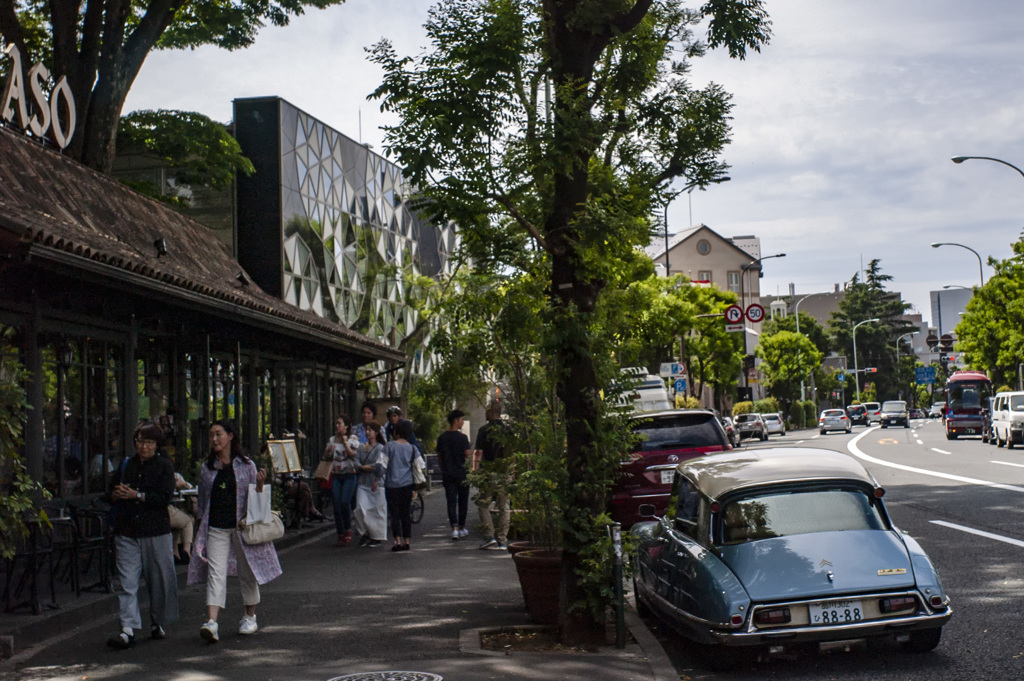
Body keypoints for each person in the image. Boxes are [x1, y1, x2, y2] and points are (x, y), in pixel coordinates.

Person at [187, 420, 282, 643]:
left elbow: (256, 502)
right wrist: (200, 520)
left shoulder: (246, 465)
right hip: (216, 527)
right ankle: (211, 622)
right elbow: (202, 499)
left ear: (230, 436)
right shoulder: (207, 468)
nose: (214, 439)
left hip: (241, 527)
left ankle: (249, 616)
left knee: (247, 571)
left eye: (218, 434)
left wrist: (259, 485)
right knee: (215, 572)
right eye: (211, 435)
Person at [106, 422, 178, 649]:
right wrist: (116, 494)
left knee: (157, 581)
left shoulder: (164, 466)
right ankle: (128, 628)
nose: (143, 447)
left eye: (148, 442)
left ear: (157, 445)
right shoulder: (127, 464)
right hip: (127, 530)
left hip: (155, 531)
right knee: (127, 582)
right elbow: (110, 491)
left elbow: (164, 498)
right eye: (139, 442)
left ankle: (157, 622)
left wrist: (138, 495)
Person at [473, 402, 513, 550]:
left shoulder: (484, 430)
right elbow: (511, 452)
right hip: (505, 471)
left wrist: (475, 471)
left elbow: (478, 452)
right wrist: (512, 472)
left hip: (489, 471)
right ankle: (503, 540)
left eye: (486, 411)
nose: (485, 414)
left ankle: (490, 536)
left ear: (490, 412)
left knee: (483, 504)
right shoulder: (508, 430)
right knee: (504, 506)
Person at [385, 419, 423, 551]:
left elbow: (381, 465)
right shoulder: (412, 448)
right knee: (405, 513)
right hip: (407, 485)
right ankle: (407, 541)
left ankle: (397, 541)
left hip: (391, 485)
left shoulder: (389, 446)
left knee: (394, 515)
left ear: (396, 432)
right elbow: (420, 465)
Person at [437, 409, 472, 540]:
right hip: (461, 473)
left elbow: (439, 456)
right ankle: (462, 527)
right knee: (463, 501)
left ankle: (454, 528)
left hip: (448, 473)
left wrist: (443, 468)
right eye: (461, 419)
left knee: (451, 501)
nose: (462, 422)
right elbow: (468, 453)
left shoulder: (442, 437)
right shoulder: (462, 437)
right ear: (456, 421)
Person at [353, 421, 387, 547]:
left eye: (370, 430)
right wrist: (362, 467)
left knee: (377, 511)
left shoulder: (380, 448)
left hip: (376, 482)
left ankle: (376, 536)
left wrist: (373, 474)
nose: (367, 432)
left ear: (376, 433)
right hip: (363, 482)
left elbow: (380, 465)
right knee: (360, 508)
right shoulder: (361, 447)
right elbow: (356, 462)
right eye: (366, 430)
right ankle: (366, 532)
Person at [326, 415, 359, 546]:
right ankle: (340, 532)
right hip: (336, 475)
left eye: (339, 423)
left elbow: (353, 455)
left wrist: (345, 443)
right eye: (336, 423)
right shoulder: (332, 440)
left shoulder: (353, 439)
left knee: (345, 501)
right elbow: (326, 457)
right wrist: (329, 451)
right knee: (336, 503)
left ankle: (348, 529)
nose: (337, 426)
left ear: (346, 426)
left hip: (349, 475)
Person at [169, 471, 195, 564]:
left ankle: (175, 553)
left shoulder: (175, 475)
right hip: (164, 509)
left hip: (171, 509)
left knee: (179, 521)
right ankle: (186, 551)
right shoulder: (170, 475)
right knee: (188, 521)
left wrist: (183, 484)